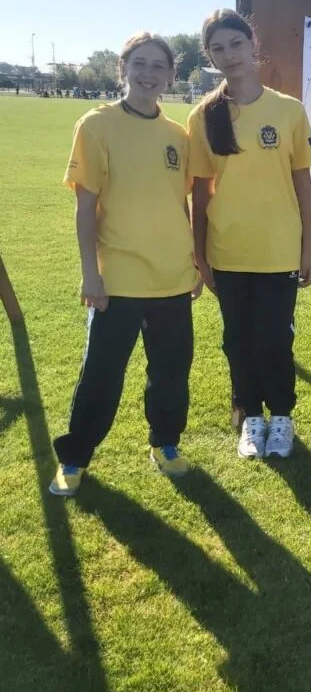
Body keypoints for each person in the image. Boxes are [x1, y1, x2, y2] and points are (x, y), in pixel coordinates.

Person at [50, 33, 200, 497]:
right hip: (117, 277)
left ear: (171, 75)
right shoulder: (96, 125)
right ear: (123, 69)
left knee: (171, 370)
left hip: (173, 277)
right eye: (139, 64)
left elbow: (180, 204)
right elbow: (85, 207)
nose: (148, 74)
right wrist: (90, 273)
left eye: (158, 66)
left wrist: (193, 264)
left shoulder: (178, 136)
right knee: (101, 372)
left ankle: (165, 443)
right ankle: (74, 458)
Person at [187, 9, 311, 461]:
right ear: (209, 57)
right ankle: (252, 419)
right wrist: (200, 256)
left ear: (252, 44)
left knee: (276, 340)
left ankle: (281, 418)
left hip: (279, 252)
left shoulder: (289, 110)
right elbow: (200, 193)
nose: (229, 55)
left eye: (236, 44)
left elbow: (304, 186)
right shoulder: (203, 116)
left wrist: (308, 249)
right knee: (237, 341)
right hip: (228, 252)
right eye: (218, 49)